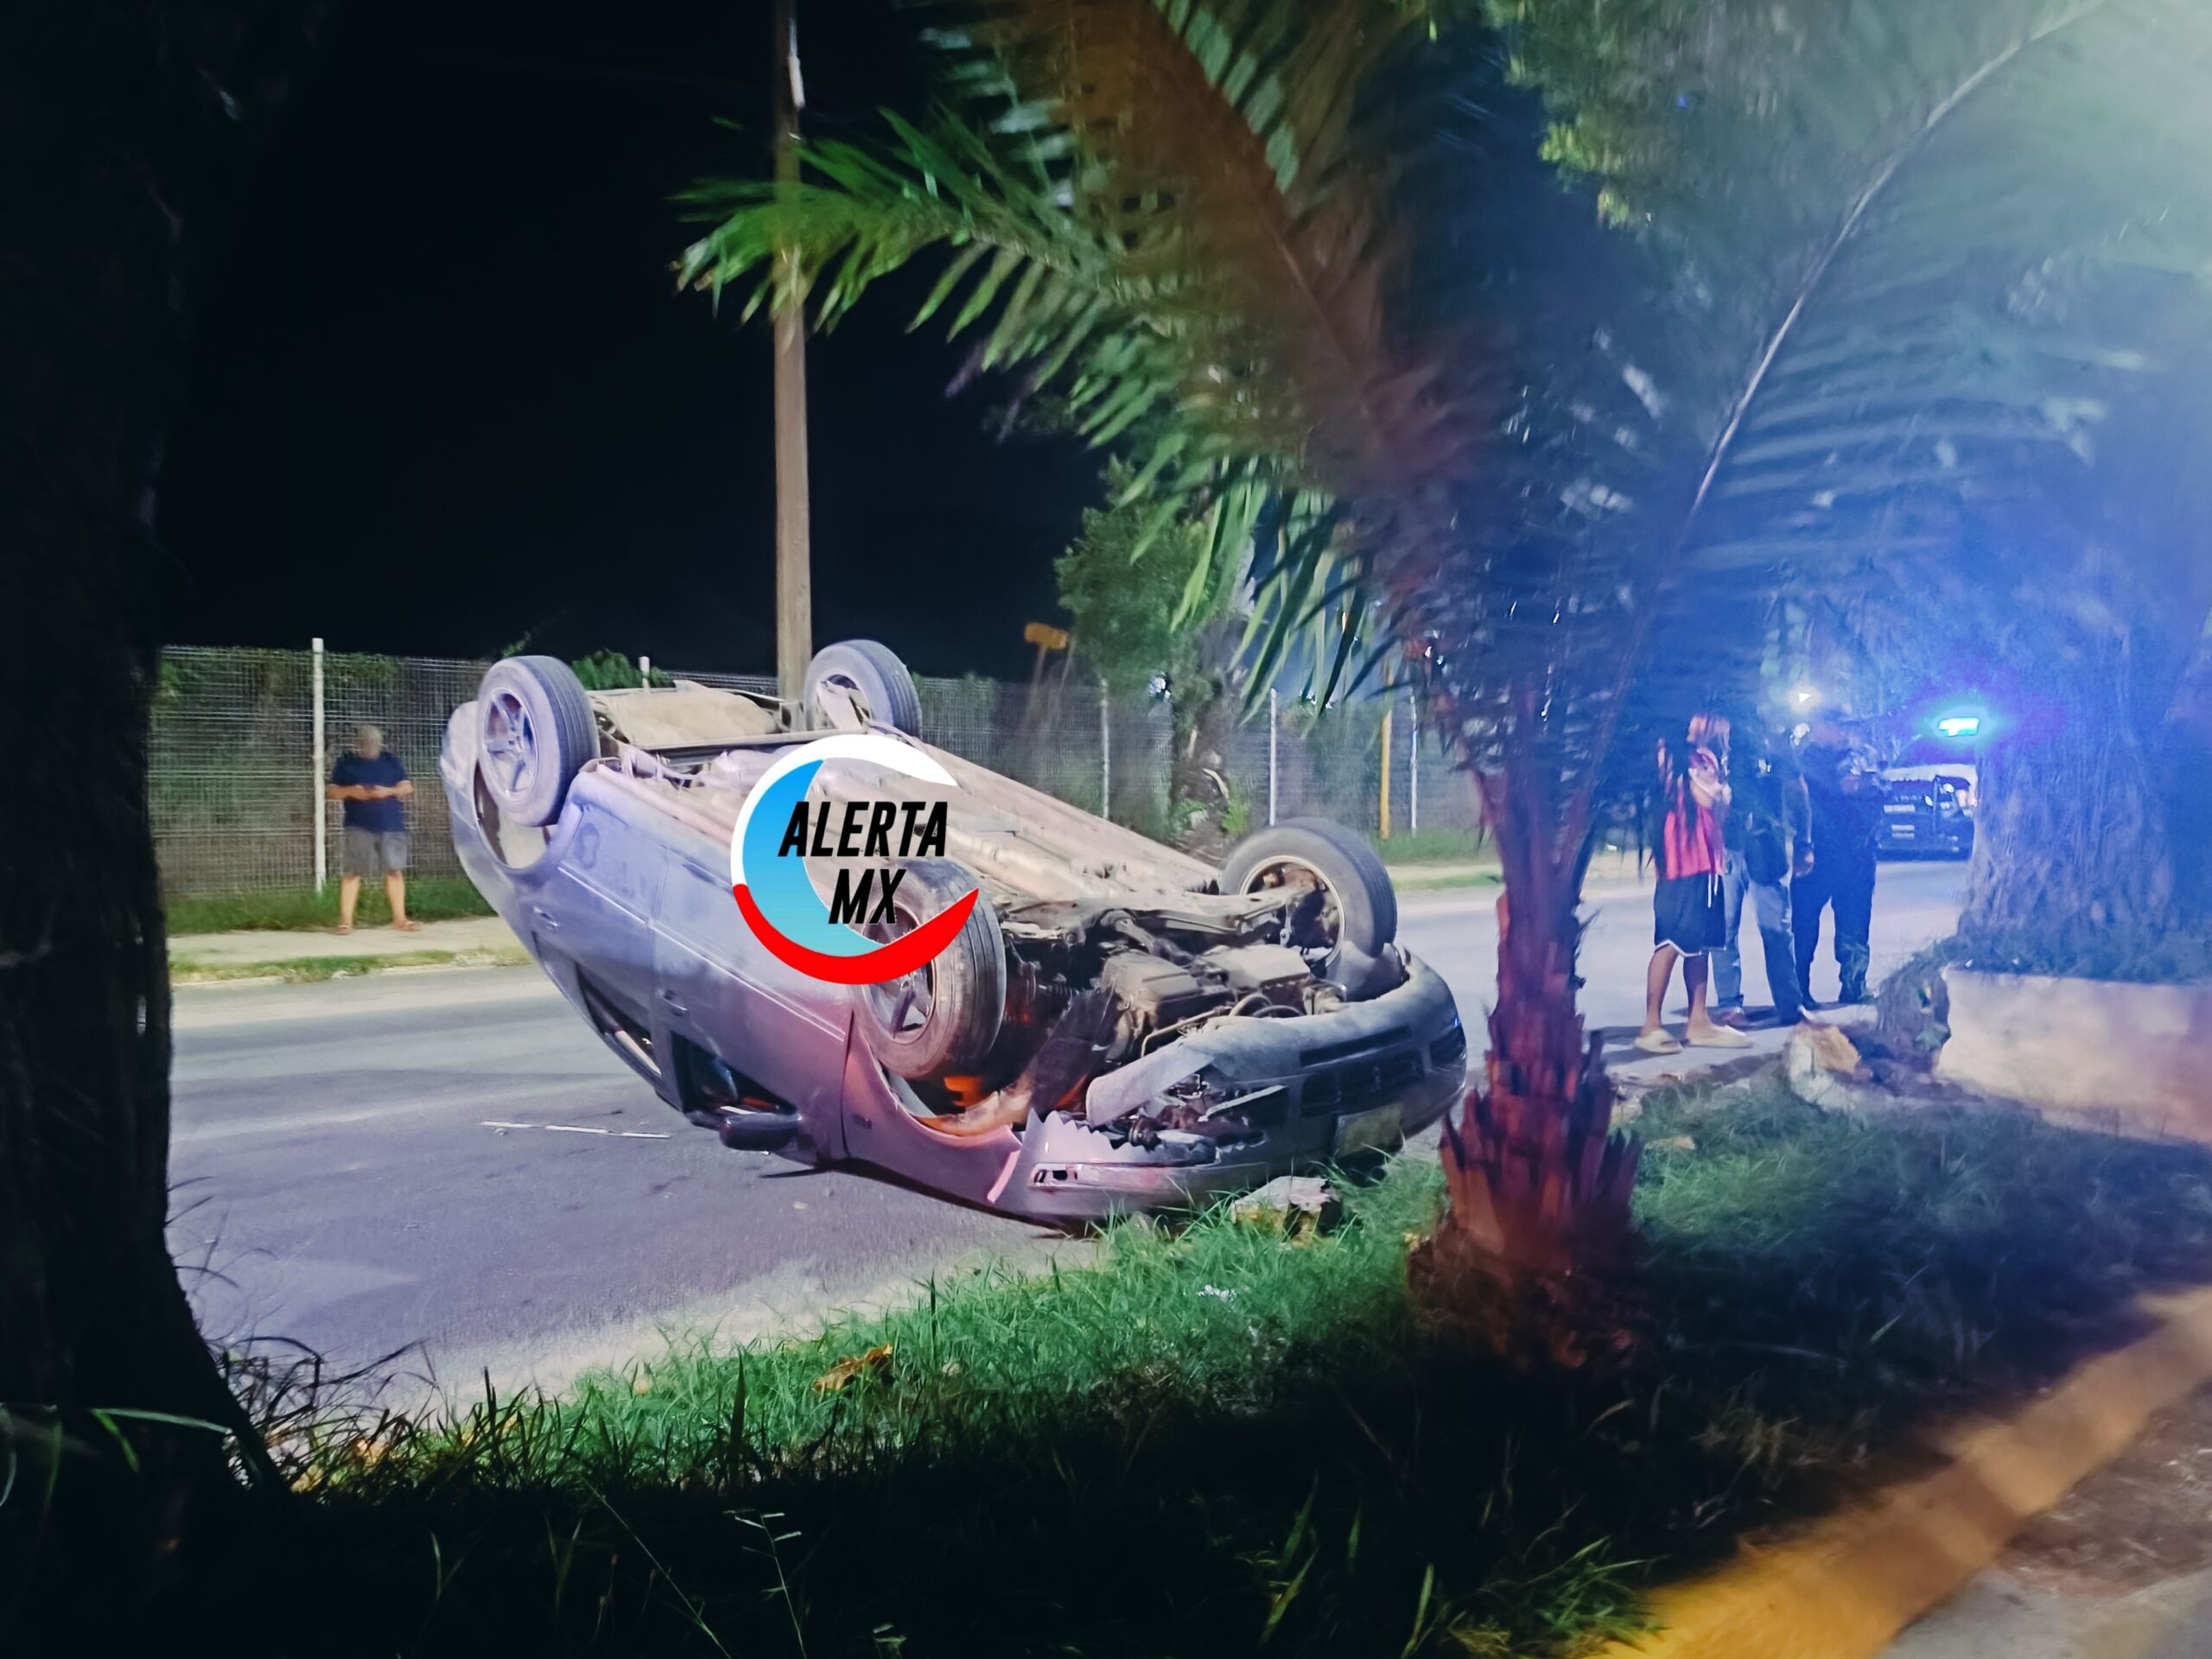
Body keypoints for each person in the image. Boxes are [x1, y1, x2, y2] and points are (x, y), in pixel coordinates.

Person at [1639, 714, 1753, 1054]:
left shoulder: (1706, 757)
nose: (1723, 725)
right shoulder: (1673, 753)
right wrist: (1720, 792)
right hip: (1682, 864)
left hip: (1708, 861)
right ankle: (1651, 1025)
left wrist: (1719, 792)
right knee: (1671, 942)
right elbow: (1709, 800)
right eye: (1714, 718)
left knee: (1700, 944)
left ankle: (1698, 1021)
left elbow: (1720, 809)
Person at [1711, 718, 1812, 1028]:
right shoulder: (1715, 746)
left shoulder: (1774, 743)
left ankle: (1790, 1004)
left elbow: (1799, 793)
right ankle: (1729, 1005)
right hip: (1726, 850)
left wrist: (1804, 842)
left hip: (1767, 851)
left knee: (1777, 931)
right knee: (1723, 932)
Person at [1793, 708, 1882, 1005]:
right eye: (1836, 726)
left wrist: (1866, 784)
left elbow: (1885, 787)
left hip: (1857, 854)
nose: (1843, 732)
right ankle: (1799, 990)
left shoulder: (1863, 755)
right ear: (1818, 727)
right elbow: (1820, 790)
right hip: (1818, 853)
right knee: (1803, 925)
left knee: (1855, 922)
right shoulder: (1804, 760)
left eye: (1846, 727)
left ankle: (1854, 985)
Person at [327, 723, 417, 934]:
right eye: (366, 743)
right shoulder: (346, 763)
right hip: (358, 826)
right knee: (353, 872)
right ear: (358, 744)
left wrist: (387, 792)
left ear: (380, 743)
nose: (370, 747)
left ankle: (400, 919)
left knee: (394, 871)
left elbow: (407, 787)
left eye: (374, 743)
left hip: (391, 825)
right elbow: (331, 791)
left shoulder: (390, 761)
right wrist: (351, 791)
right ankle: (346, 922)